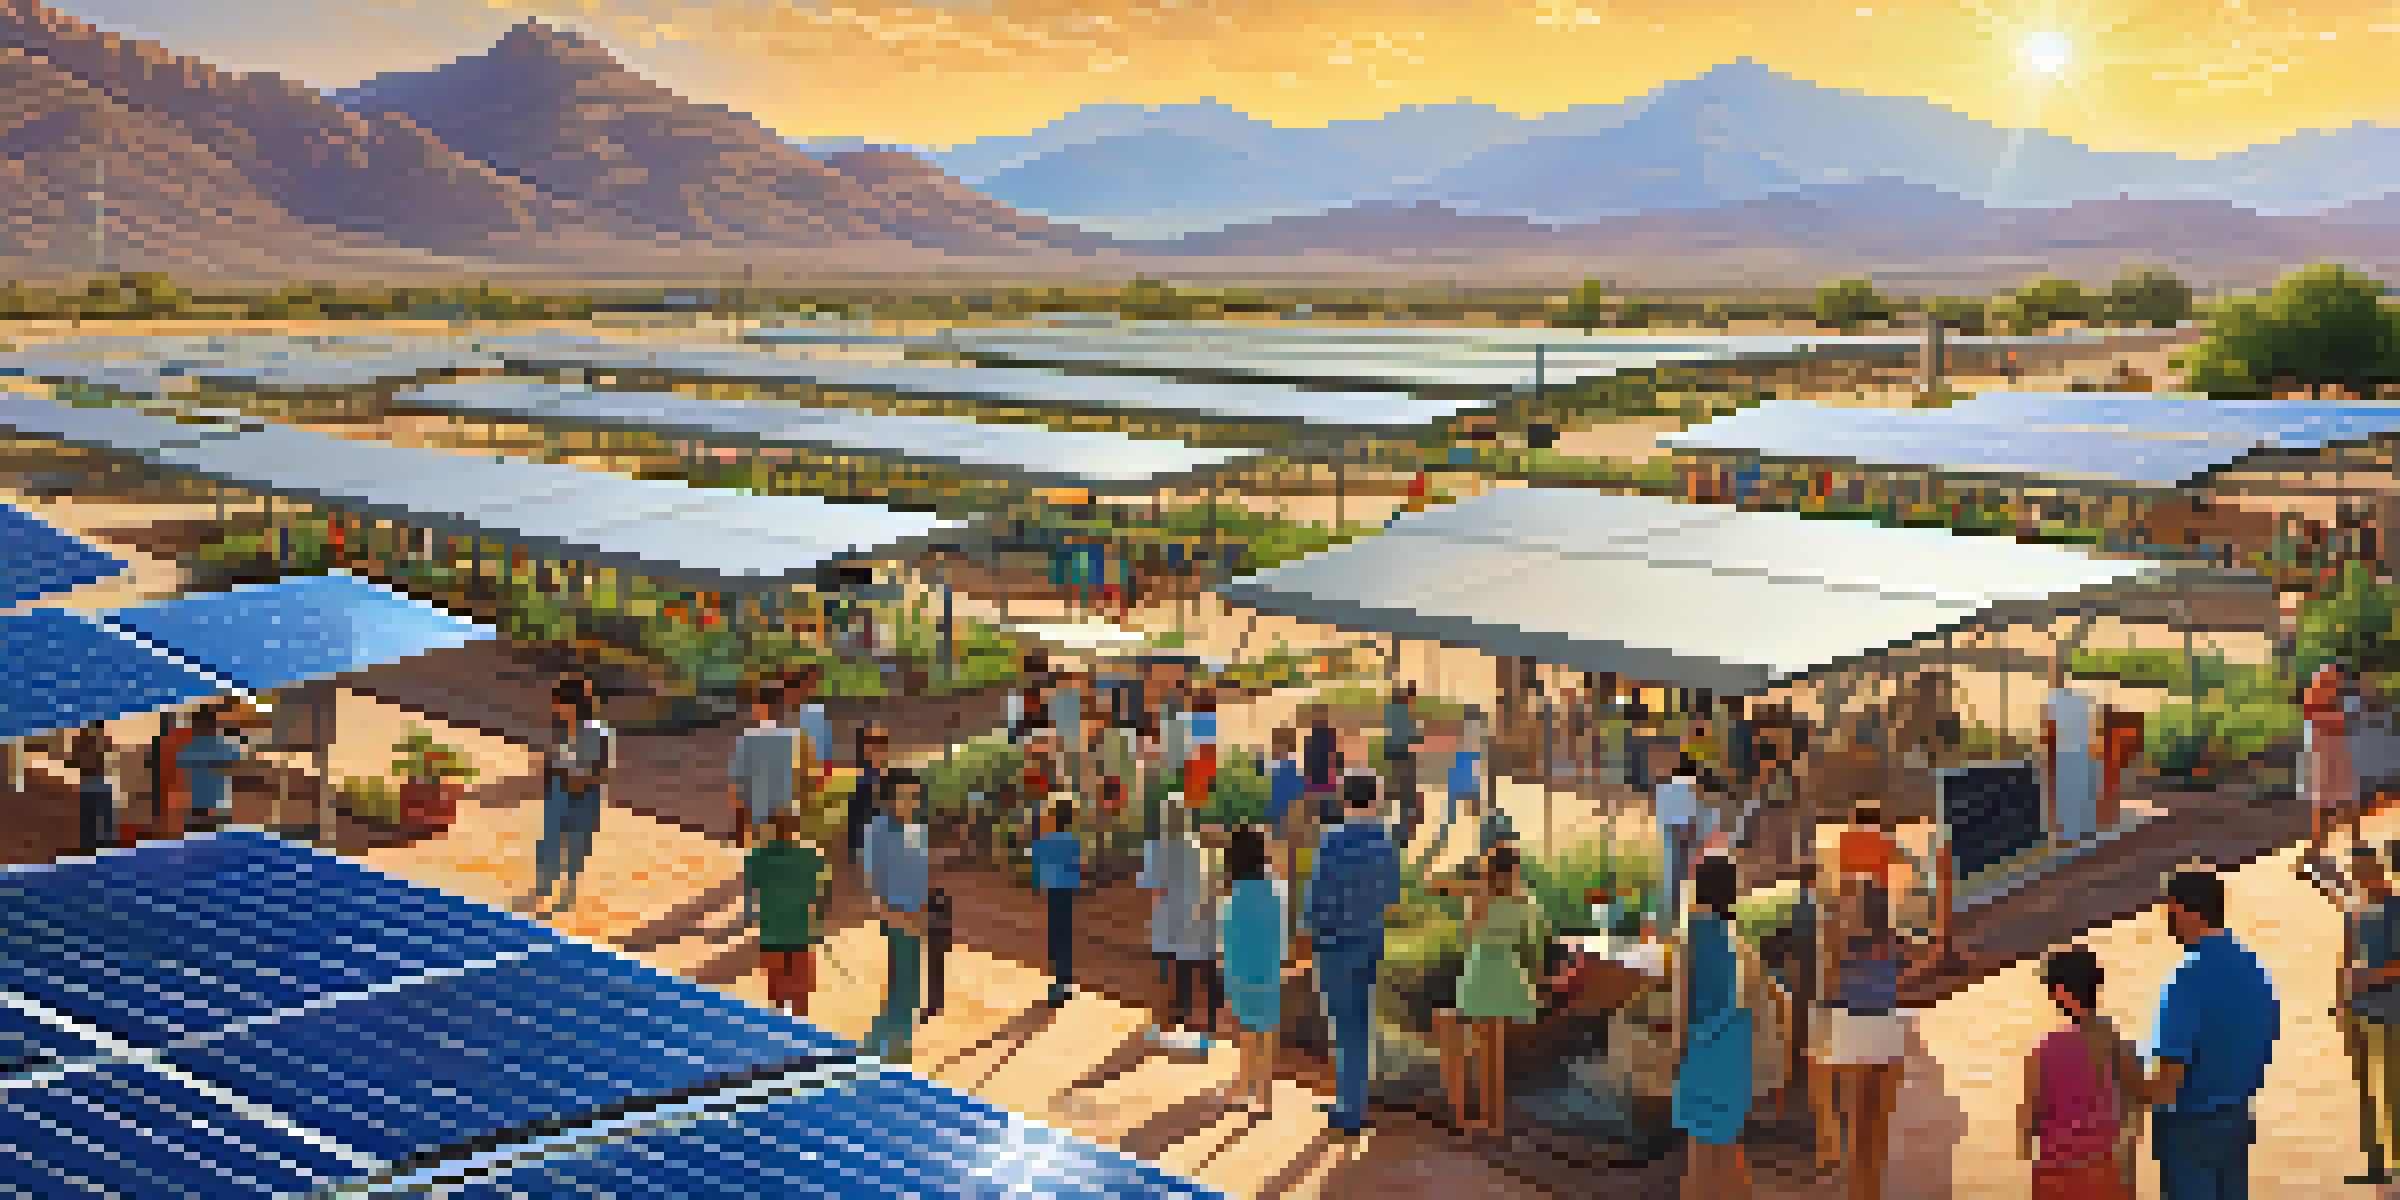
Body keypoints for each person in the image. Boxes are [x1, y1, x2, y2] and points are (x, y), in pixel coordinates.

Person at [2128, 867, 2280, 1200]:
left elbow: (2166, 1085)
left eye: (2170, 911)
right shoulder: (2254, 970)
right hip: (2237, 1118)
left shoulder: (2187, 978)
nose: (2167, 921)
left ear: (2187, 911)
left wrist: (2123, 1073)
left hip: (2190, 1128)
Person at [1299, 770, 1403, 1139]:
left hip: (1333, 945)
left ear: (1346, 799)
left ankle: (1349, 1108)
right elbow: (1392, 899)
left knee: (1342, 1028)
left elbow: (1314, 902)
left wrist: (1308, 936)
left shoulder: (1331, 841)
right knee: (1360, 1024)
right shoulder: (1385, 842)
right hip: (1368, 943)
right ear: (1375, 799)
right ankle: (1352, 1105)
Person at [1674, 853, 1770, 1200]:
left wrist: (1677, 1052)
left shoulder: (1693, 936)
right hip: (1733, 1047)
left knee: (1699, 1154)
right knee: (1727, 1146)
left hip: (1702, 1046)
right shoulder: (1736, 938)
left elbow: (1682, 1003)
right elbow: (1753, 999)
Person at [2018, 947, 2143, 1200]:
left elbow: (2026, 1131)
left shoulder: (2042, 1052)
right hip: (2107, 1174)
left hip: (2055, 1177)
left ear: (2061, 992)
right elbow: (2134, 1120)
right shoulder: (2120, 1045)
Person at [1442, 844, 1547, 1143]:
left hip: (1481, 972)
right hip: (1507, 972)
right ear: (1514, 870)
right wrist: (1536, 981)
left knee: (1479, 1050)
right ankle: (1493, 1121)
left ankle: (1470, 1120)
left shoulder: (1479, 897)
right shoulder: (1524, 899)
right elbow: (1533, 942)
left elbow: (1468, 935)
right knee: (1494, 1052)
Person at [1820, 873, 1906, 1199]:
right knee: (1873, 1127)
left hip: (1855, 1027)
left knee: (1858, 1128)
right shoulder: (1891, 943)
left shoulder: (1842, 940)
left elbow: (1830, 987)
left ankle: (1861, 1192)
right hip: (1881, 1028)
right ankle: (1868, 1192)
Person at [521, 679, 615, 916]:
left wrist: (568, 775)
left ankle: (567, 893)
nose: (556, 708)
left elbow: (599, 769)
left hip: (582, 796)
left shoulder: (596, 731)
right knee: (550, 842)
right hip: (559, 792)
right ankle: (544, 887)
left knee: (574, 846)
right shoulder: (566, 729)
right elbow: (562, 760)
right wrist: (551, 771)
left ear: (573, 704)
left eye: (559, 703)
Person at [1218, 826, 1291, 1114]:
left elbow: (1229, 940)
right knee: (1268, 1030)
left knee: (1248, 1030)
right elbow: (1282, 932)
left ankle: (1244, 1087)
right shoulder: (1278, 888)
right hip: (1270, 968)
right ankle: (1264, 1094)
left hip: (1242, 971)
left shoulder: (1234, 895)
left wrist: (1226, 977)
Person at [1141, 796, 1221, 1049]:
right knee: (1185, 973)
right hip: (1191, 919)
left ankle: (1165, 1026)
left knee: (1166, 975)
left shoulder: (1156, 848)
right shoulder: (1195, 847)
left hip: (1166, 920)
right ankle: (1182, 1024)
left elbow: (1153, 888)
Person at [863, 768, 931, 1063]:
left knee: (912, 975)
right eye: (903, 795)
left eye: (913, 796)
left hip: (917, 912)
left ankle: (899, 1036)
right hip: (895, 912)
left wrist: (925, 910)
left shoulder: (918, 828)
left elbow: (920, 871)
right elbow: (872, 875)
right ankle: (895, 1042)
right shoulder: (877, 830)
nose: (910, 801)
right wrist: (886, 911)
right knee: (902, 976)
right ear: (889, 798)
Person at [2342, 844, 2400, 1184]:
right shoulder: (2355, 911)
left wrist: (2371, 977)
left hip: (2392, 1014)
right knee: (2366, 1092)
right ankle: (2376, 1165)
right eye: (2357, 873)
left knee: (2393, 1093)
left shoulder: (2396, 908)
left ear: (2379, 869)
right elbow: (2346, 960)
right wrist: (2342, 1005)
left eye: (2366, 871)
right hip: (2359, 1012)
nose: (2362, 878)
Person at [746, 809, 828, 1019]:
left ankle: (781, 1030)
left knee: (777, 997)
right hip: (800, 932)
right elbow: (817, 896)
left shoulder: (758, 857)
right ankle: (798, 1030)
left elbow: (752, 888)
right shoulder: (810, 856)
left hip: (773, 933)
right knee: (800, 998)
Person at [1029, 797, 1083, 1010]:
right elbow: (1077, 871)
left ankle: (1058, 985)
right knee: (1065, 939)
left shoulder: (1045, 842)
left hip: (1053, 893)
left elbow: (1037, 873)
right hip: (1067, 894)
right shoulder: (1073, 842)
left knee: (1055, 939)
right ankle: (1064, 984)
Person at [2304, 662, 2357, 866]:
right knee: (2322, 804)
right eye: (2334, 679)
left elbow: (2340, 725)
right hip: (2322, 754)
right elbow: (2324, 723)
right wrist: (2338, 720)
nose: (2337, 684)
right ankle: (2315, 852)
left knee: (2347, 799)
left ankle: (2354, 844)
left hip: (2336, 753)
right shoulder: (2316, 695)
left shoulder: (2334, 698)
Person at [2044, 657, 2101, 846]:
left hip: (2066, 753)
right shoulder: (2077, 700)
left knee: (2068, 794)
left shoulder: (2054, 701)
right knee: (2079, 792)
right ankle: (2084, 829)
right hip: (2080, 752)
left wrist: (2049, 756)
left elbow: (2051, 732)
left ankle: (2071, 833)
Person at [178, 704, 249, 830]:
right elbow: (237, 759)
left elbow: (182, 764)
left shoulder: (190, 746)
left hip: (199, 802)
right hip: (216, 801)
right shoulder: (221, 745)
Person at [1653, 747, 1702, 924]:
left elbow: (1661, 815)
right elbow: (1690, 815)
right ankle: (1677, 913)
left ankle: (1669, 913)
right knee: (1682, 875)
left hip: (1670, 832)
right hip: (1682, 832)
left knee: (1671, 875)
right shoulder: (1688, 786)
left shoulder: (1665, 787)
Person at [849, 723, 892, 892]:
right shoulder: (861, 779)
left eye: (880, 742)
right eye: (871, 742)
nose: (877, 748)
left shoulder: (885, 776)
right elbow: (857, 819)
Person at [1385, 682, 1423, 850]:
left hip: (1397, 758)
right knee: (1405, 797)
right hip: (1404, 758)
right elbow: (1410, 737)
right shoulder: (1403, 714)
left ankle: (1401, 833)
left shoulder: (1394, 712)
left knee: (1400, 797)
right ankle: (1403, 835)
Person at [70, 722, 116, 854]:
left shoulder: (82, 740)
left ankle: (91, 848)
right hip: (95, 782)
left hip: (90, 782)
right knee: (99, 820)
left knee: (90, 820)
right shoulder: (96, 740)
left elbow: (75, 759)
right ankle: (101, 848)